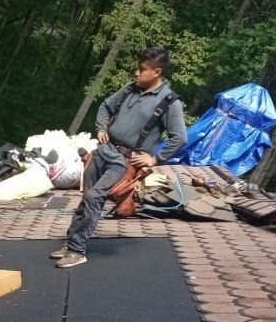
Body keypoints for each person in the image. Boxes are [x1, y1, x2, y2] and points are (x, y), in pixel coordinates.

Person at [53, 46, 186, 268]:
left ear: (156, 72)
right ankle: (71, 243)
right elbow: (105, 106)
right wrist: (102, 128)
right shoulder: (130, 89)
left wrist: (154, 159)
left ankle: (77, 251)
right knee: (87, 198)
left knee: (95, 197)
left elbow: (179, 138)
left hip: (123, 161)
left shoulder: (170, 102)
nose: (136, 73)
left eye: (142, 69)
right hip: (104, 151)